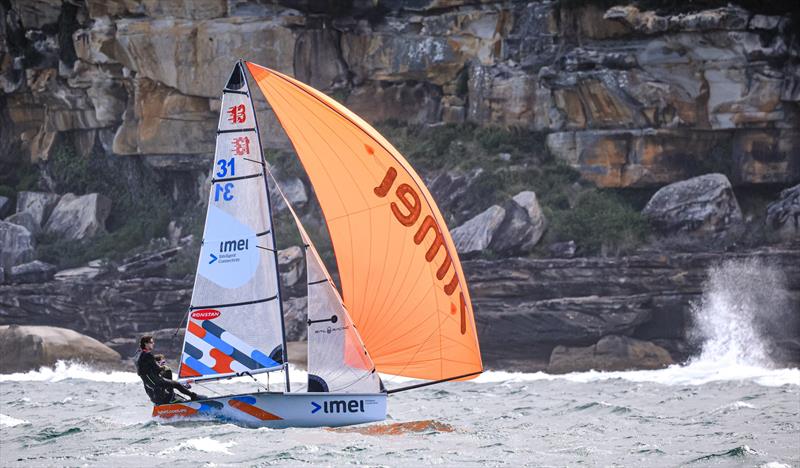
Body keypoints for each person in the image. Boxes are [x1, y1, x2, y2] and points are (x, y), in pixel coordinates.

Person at [136, 335, 199, 404]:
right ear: (146, 344)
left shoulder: (140, 355)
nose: (153, 344)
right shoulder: (148, 355)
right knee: (175, 383)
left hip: (152, 383)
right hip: (156, 383)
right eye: (151, 342)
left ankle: (171, 398)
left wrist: (158, 365)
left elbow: (146, 368)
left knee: (171, 382)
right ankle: (193, 396)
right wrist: (162, 367)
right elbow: (157, 369)